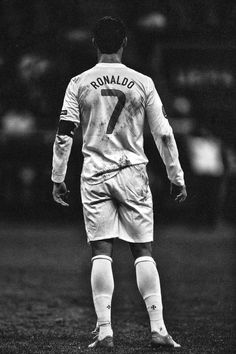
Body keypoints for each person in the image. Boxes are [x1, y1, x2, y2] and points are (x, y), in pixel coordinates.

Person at [51, 16, 187, 349]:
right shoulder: (142, 82)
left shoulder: (79, 82)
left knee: (101, 251)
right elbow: (164, 133)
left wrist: (57, 176)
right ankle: (157, 328)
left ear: (94, 42)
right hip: (132, 173)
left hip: (96, 172)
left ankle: (106, 330)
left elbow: (65, 134)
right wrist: (175, 175)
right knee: (143, 251)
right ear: (124, 42)